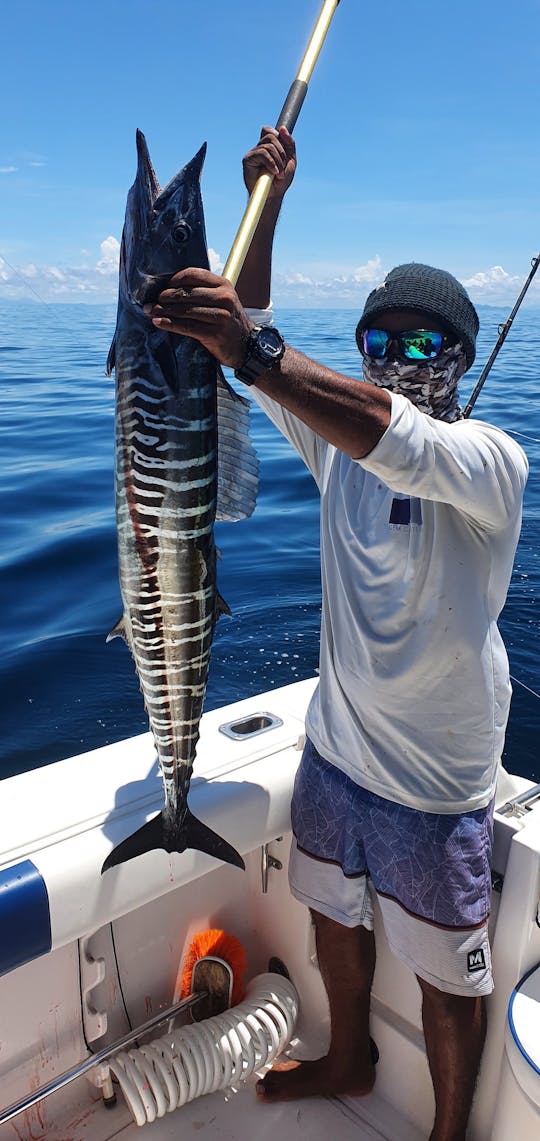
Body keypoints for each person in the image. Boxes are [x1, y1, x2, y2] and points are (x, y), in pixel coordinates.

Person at [145, 127, 529, 1141]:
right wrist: (265, 204)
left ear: (456, 354)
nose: (398, 364)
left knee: (448, 968)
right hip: (336, 745)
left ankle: (449, 1131)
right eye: (378, 344)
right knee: (330, 912)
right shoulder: (337, 446)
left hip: (440, 777)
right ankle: (348, 1054)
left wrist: (254, 350)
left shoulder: (491, 460)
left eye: (420, 346)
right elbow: (260, 326)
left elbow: (371, 420)